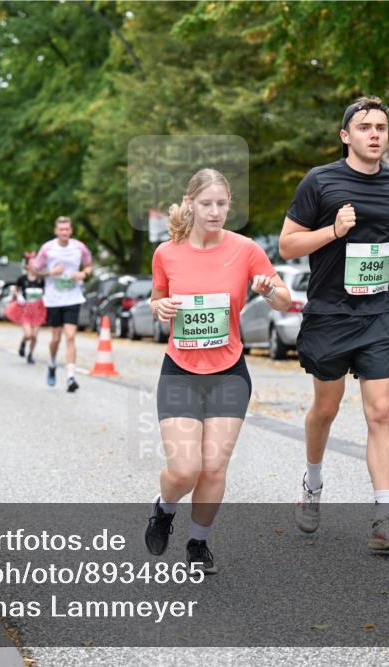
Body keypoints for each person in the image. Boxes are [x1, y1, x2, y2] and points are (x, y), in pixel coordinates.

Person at [278, 96, 389, 551]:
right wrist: (334, 232)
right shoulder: (319, 181)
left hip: (378, 311)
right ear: (346, 136)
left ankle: (383, 518)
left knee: (380, 411)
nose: (374, 134)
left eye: (381, 126)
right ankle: (313, 484)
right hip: (330, 313)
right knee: (327, 407)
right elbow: (286, 246)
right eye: (364, 127)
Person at [144, 168, 291, 574]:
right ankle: (164, 509)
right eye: (206, 204)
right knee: (183, 470)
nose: (214, 212)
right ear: (190, 204)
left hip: (229, 372)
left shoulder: (244, 249)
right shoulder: (167, 252)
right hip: (180, 371)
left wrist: (268, 290)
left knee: (212, 467)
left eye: (222, 204)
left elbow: (284, 299)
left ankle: (198, 542)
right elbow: (156, 299)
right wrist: (158, 308)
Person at [34, 217, 93, 392]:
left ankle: (70, 377)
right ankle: (52, 363)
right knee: (56, 338)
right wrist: (52, 272)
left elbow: (89, 266)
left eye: (67, 229)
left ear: (71, 231)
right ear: (56, 231)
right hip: (53, 299)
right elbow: (36, 271)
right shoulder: (47, 248)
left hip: (73, 297)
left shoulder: (79, 247)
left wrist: (83, 274)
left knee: (70, 336)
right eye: (61, 229)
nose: (64, 232)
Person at [5, 252, 47, 364]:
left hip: (38, 310)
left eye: (36, 264)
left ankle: (31, 354)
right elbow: (15, 289)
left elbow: (46, 292)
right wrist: (15, 294)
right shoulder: (22, 279)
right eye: (32, 264)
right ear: (27, 266)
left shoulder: (41, 280)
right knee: (29, 334)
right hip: (26, 310)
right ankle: (23, 343)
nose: (35, 267)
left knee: (34, 335)